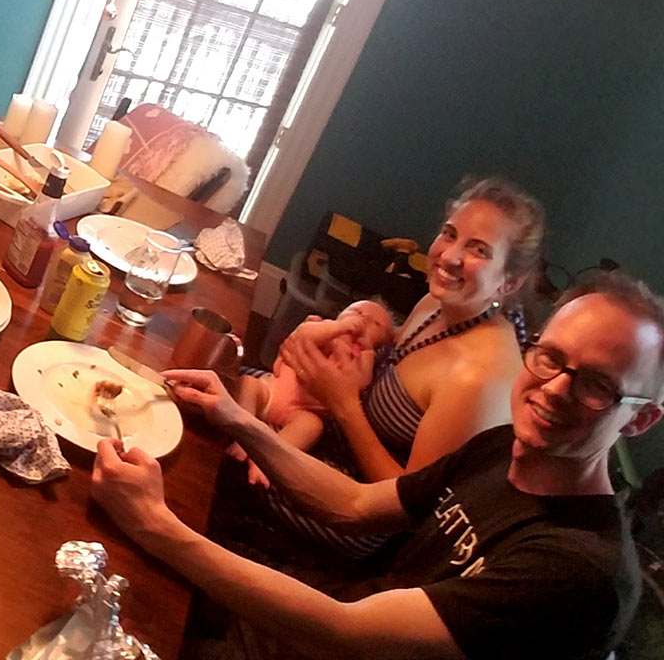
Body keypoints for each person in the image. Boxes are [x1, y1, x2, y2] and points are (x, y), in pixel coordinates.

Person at [92, 271, 663, 660]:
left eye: (594, 385)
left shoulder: (580, 573)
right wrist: (236, 418)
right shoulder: (504, 448)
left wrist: (157, 525)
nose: (555, 388)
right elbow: (356, 504)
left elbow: (349, 636)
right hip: (334, 609)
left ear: (639, 420)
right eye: (550, 358)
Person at [225, 178, 546, 560]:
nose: (449, 257)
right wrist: (340, 332)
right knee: (223, 382)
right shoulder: (437, 303)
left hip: (356, 505)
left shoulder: (477, 378)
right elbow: (400, 349)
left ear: (510, 281)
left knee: (225, 465)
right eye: (449, 234)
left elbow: (405, 506)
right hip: (330, 428)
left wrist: (344, 404)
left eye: (479, 250)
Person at [230, 300, 392, 488]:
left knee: (312, 426)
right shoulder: (325, 328)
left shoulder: (363, 356)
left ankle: (265, 461)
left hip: (302, 411)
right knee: (248, 384)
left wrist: (366, 352)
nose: (363, 319)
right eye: (357, 311)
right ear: (340, 314)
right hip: (271, 391)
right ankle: (243, 437)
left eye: (375, 323)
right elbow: (306, 336)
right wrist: (338, 328)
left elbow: (362, 382)